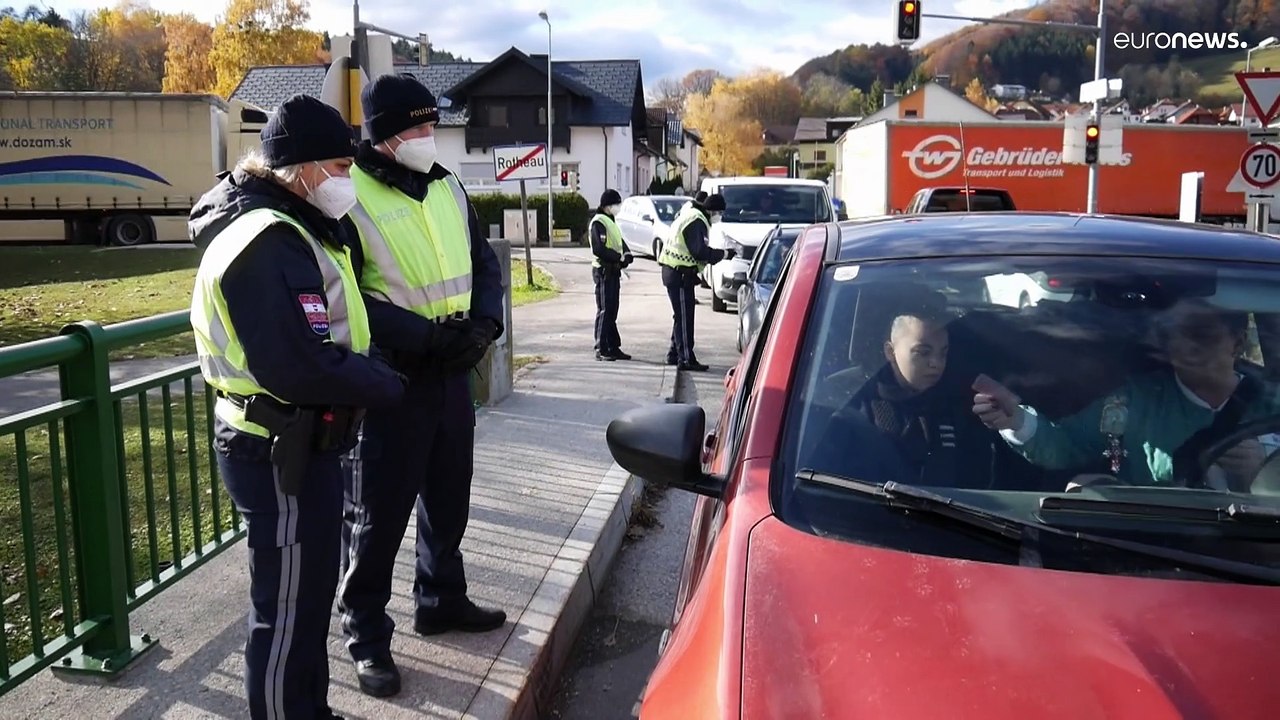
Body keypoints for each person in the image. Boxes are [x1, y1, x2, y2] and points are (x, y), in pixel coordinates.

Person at [188, 93, 407, 720]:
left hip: (303, 443)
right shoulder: (265, 240)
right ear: (302, 169)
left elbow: (330, 330)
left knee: (307, 603)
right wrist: (383, 384)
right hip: (276, 447)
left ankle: (310, 709)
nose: (347, 180)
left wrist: (368, 373)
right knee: (286, 612)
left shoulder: (296, 225)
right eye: (339, 168)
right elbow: (297, 365)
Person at [335, 73, 507, 699]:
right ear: (385, 133)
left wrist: (484, 326)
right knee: (377, 516)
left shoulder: (446, 184)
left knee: (448, 496)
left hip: (450, 373)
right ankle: (366, 637)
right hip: (392, 378)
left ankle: (440, 599)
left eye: (432, 124)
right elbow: (348, 296)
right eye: (419, 127)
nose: (429, 136)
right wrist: (428, 338)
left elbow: (483, 262)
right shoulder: (347, 196)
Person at [974, 298, 1280, 489]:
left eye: (1202, 336)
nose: (1188, 347)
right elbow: (1065, 443)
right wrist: (1015, 420)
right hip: (1149, 547)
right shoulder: (1135, 401)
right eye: (1178, 335)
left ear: (1238, 343)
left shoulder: (1272, 405)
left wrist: (1264, 468)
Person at [820, 307, 1024, 488]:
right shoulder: (852, 405)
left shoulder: (959, 405)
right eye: (923, 352)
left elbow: (978, 482)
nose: (936, 363)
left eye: (943, 353)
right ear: (890, 352)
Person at [658, 192, 734, 371]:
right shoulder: (697, 221)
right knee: (685, 318)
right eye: (719, 213)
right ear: (712, 211)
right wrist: (724, 254)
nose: (719, 217)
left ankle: (674, 353)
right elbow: (699, 251)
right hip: (680, 274)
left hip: (676, 272)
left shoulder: (691, 215)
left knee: (681, 316)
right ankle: (686, 358)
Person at [590, 189, 633, 361]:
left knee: (613, 310)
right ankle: (601, 348)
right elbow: (598, 248)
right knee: (605, 309)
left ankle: (613, 346)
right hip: (603, 271)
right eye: (616, 204)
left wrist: (627, 255)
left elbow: (619, 242)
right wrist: (618, 257)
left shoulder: (610, 221)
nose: (618, 207)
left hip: (614, 270)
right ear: (607, 206)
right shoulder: (598, 222)